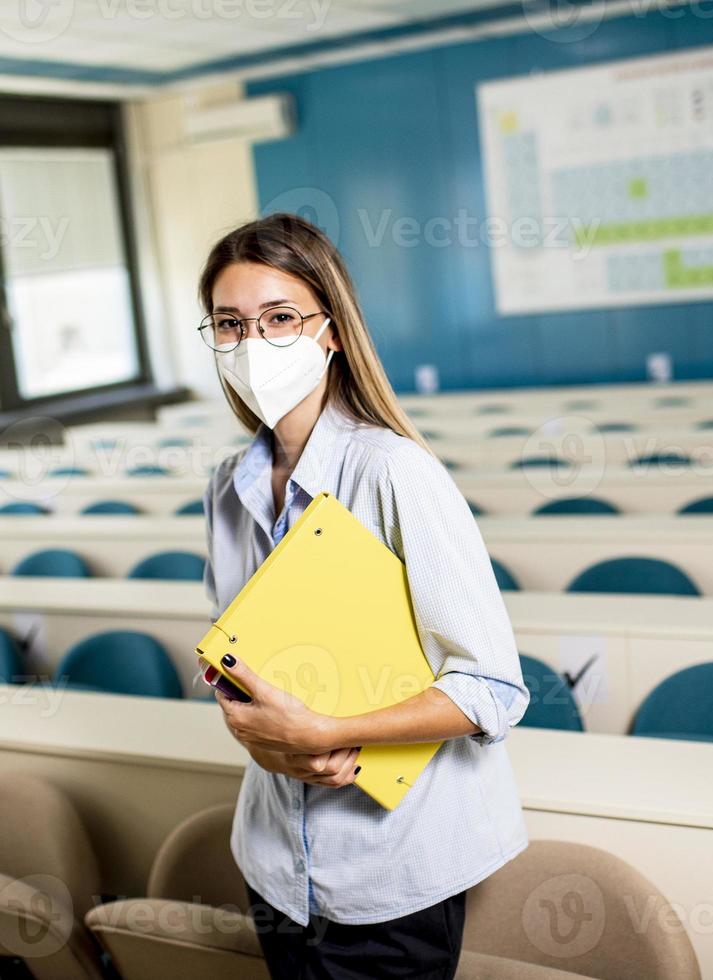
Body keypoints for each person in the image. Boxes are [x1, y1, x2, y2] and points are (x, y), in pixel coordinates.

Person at [195, 212, 529, 979]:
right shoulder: (226, 486)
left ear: (333, 330)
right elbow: (236, 658)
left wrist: (327, 731)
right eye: (230, 324)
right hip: (275, 865)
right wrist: (254, 728)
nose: (254, 345)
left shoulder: (392, 471)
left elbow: (493, 689)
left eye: (281, 319)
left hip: (389, 874)